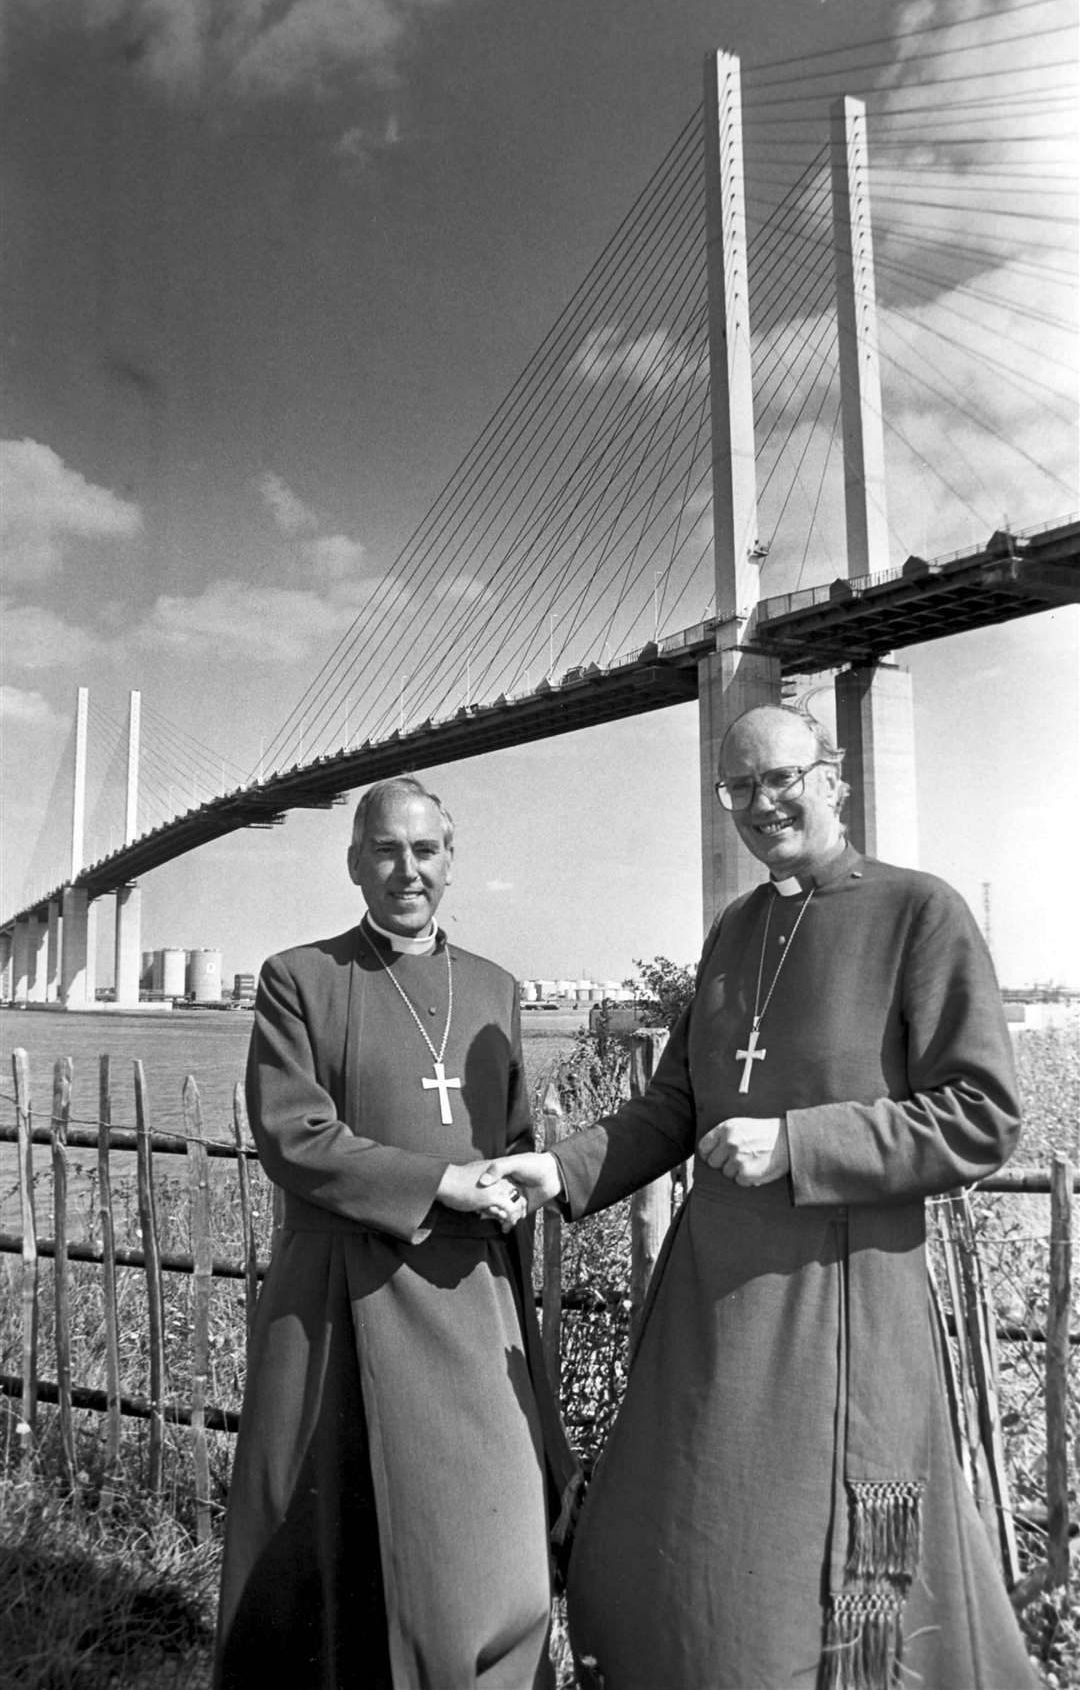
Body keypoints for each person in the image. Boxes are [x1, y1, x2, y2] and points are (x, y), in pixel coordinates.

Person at [486, 705, 1036, 1690]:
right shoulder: (736, 931)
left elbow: (982, 1115)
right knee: (696, 1551)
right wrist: (563, 1168)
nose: (759, 803)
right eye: (737, 787)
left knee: (863, 1549)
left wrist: (799, 1142)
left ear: (835, 778)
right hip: (716, 1306)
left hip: (846, 1301)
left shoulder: (920, 912)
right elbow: (678, 1106)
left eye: (780, 778)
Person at [214, 775, 578, 1690]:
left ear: (451, 861)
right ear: (354, 863)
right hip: (345, 1292)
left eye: (425, 850)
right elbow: (295, 1135)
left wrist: (508, 1184)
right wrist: (438, 1181)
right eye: (386, 850)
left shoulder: (494, 986)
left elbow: (516, 1132)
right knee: (332, 1528)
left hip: (469, 1299)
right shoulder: (301, 977)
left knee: (481, 1535)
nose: (406, 870)